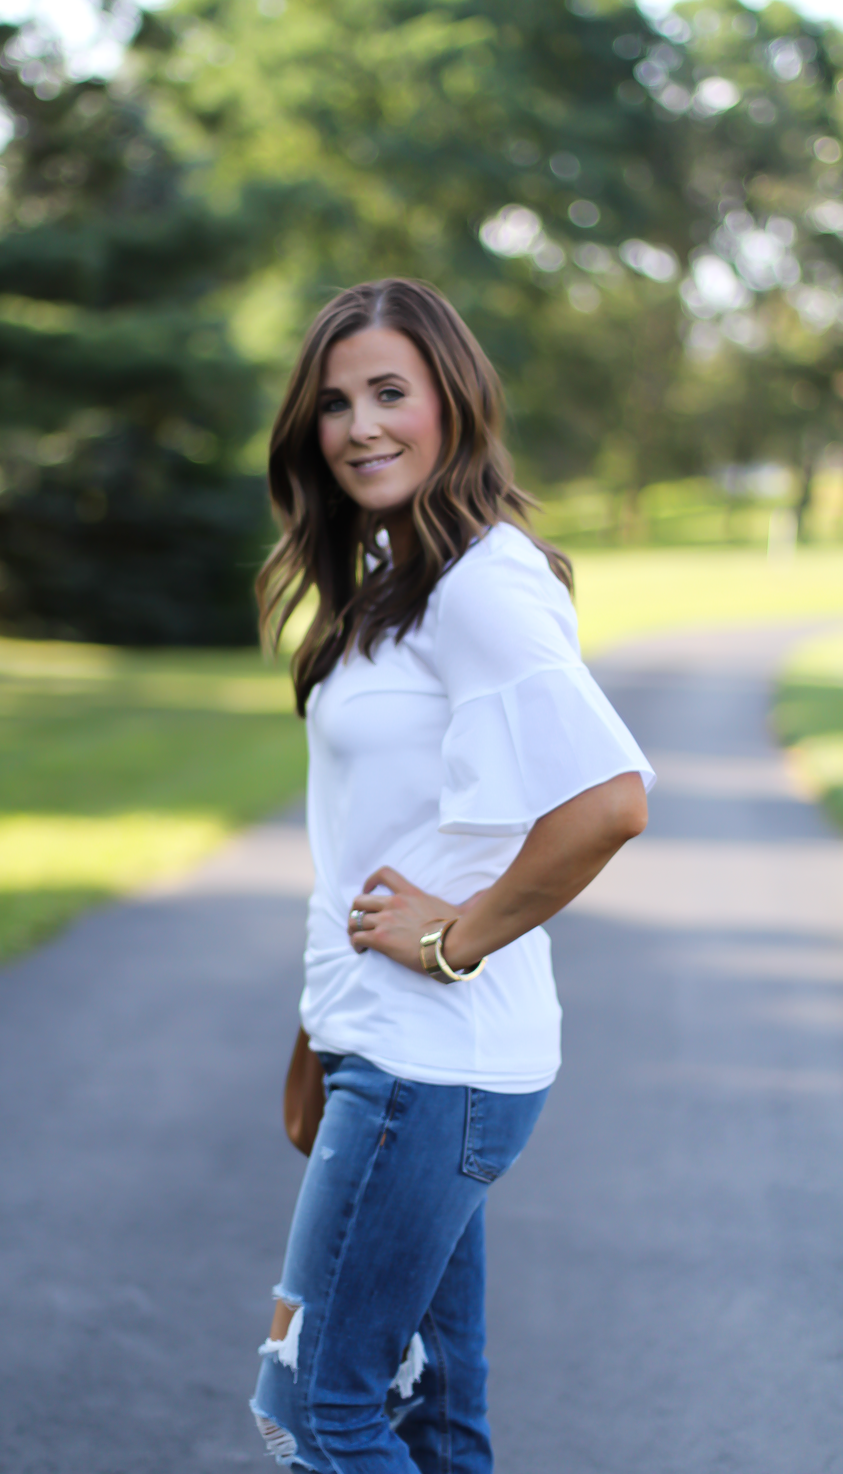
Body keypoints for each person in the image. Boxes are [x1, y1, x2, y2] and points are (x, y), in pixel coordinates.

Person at [250, 278, 654, 1472]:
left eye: (389, 393)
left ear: (452, 403)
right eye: (334, 403)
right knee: (432, 1420)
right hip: (389, 1049)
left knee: (313, 1407)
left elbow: (607, 801)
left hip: (433, 1063)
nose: (360, 426)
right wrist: (316, 1031)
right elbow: (377, 837)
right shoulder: (392, 582)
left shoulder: (481, 579)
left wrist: (450, 939)